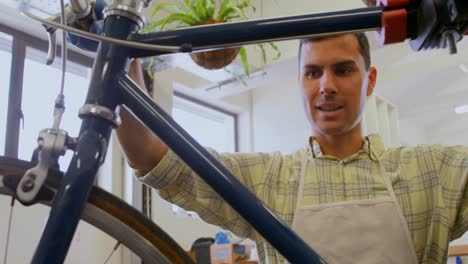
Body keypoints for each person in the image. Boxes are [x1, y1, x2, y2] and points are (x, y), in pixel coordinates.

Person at [117, 33, 468, 264]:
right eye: (313, 73)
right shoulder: (266, 181)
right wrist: (120, 55)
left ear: (370, 80)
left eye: (343, 70)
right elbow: (154, 157)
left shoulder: (431, 172)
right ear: (299, 82)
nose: (326, 85)